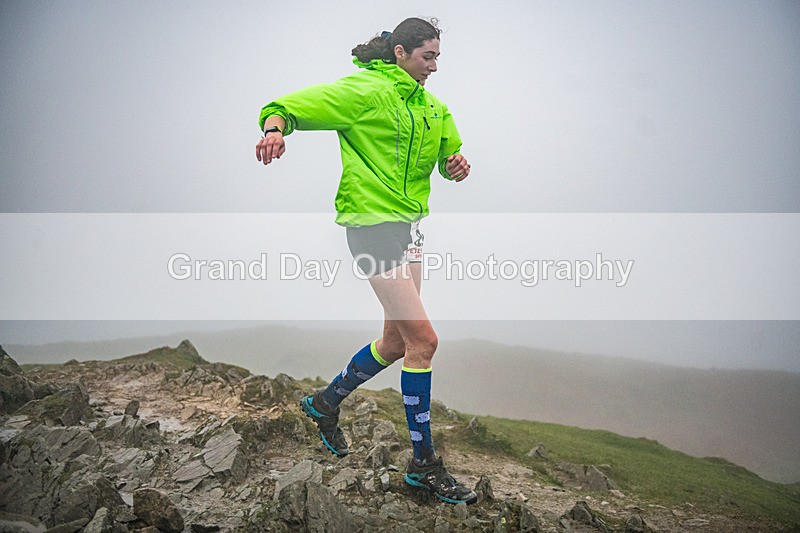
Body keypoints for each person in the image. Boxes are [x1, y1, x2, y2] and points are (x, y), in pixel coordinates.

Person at [255, 17, 475, 505]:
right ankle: (423, 466)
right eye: (428, 56)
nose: (435, 66)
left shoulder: (434, 108)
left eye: (438, 56)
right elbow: (287, 107)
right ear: (400, 52)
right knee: (425, 340)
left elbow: (450, 158)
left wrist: (455, 166)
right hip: (371, 228)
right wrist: (275, 129)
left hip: (410, 230)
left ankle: (323, 404)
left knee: (397, 343)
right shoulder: (366, 92)